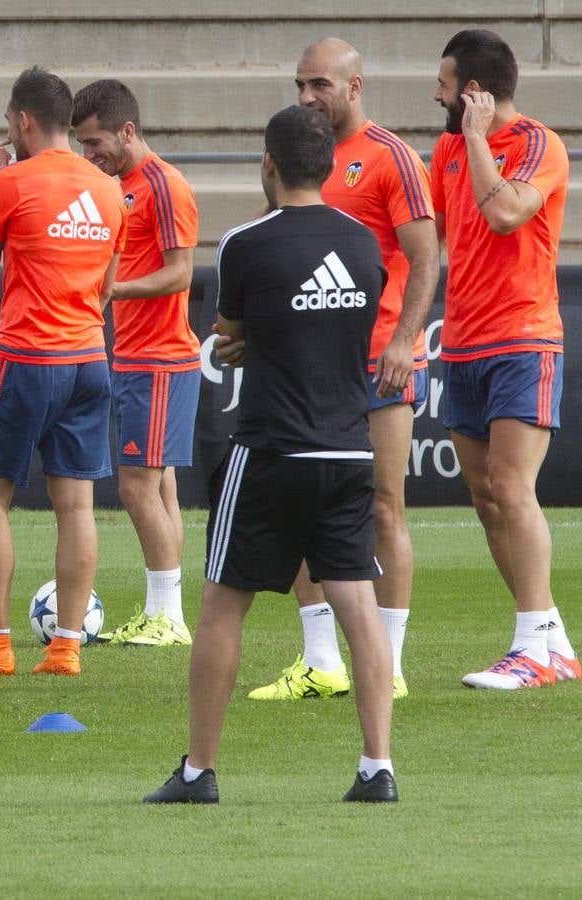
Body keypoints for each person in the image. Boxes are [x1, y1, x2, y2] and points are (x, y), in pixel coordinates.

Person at [145, 105, 397, 804]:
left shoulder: (244, 243)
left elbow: (230, 332)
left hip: (272, 449)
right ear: (328, 165)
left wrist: (250, 338)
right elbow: (341, 331)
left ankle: (198, 771)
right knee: (358, 606)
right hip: (349, 448)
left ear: (268, 164)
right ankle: (377, 767)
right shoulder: (364, 242)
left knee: (224, 603)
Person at [246, 38, 440, 701]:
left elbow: (423, 255)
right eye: (300, 84)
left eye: (319, 85)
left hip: (377, 362)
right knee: (304, 502)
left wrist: (403, 340)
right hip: (306, 365)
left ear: (355, 87)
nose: (305, 96)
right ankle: (323, 661)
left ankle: (389, 664)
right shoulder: (303, 159)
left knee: (385, 509)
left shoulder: (390, 158)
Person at [0, 67, 126, 678]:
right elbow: (107, 288)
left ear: (22, 121)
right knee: (77, 506)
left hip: (27, 357)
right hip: (90, 358)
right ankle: (66, 647)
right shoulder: (106, 189)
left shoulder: (11, 182)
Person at [429, 30, 577, 689]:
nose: (435, 95)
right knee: (488, 497)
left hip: (523, 339)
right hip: (461, 343)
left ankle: (531, 649)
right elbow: (432, 238)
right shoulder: (445, 149)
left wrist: (481, 138)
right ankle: (551, 640)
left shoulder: (538, 144)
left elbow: (507, 214)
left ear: (473, 94)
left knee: (514, 488)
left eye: (444, 85)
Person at [70, 79, 199, 648]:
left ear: (127, 131)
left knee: (136, 487)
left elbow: (182, 271)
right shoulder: (121, 187)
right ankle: (165, 613)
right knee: (160, 487)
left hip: (161, 357)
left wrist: (114, 292)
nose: (89, 154)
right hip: (137, 355)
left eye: (95, 142)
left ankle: (167, 616)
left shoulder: (164, 185)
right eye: (81, 144)